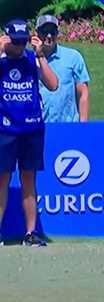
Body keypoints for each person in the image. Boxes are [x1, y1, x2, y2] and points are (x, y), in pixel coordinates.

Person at [0, 19, 58, 246]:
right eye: (16, 42)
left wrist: (41, 55)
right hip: (5, 129)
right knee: (2, 179)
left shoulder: (33, 59)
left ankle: (31, 233)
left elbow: (53, 84)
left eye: (23, 42)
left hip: (32, 128)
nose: (19, 46)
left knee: (28, 179)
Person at [36, 15, 90, 122]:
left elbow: (83, 93)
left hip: (67, 126)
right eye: (44, 32)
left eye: (53, 32)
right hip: (40, 127)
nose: (49, 36)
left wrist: (83, 127)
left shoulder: (73, 57)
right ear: (37, 33)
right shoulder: (29, 60)